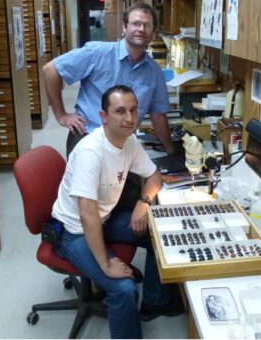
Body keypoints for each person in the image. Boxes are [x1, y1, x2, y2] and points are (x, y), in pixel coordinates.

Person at [51, 85, 183, 338]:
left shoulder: (129, 141)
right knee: (123, 288)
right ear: (104, 116)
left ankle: (154, 301)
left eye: (133, 110)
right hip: (74, 231)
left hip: (105, 219)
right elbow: (86, 213)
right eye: (120, 111)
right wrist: (105, 263)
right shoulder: (91, 151)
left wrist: (143, 204)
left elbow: (155, 177)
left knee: (161, 233)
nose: (129, 118)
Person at [43, 2, 176, 156]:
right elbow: (51, 70)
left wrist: (171, 150)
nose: (141, 29)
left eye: (147, 25)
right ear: (125, 27)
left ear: (154, 33)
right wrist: (61, 115)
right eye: (136, 23)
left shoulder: (154, 72)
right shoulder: (98, 52)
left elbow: (158, 115)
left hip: (123, 143)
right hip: (88, 137)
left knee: (140, 178)